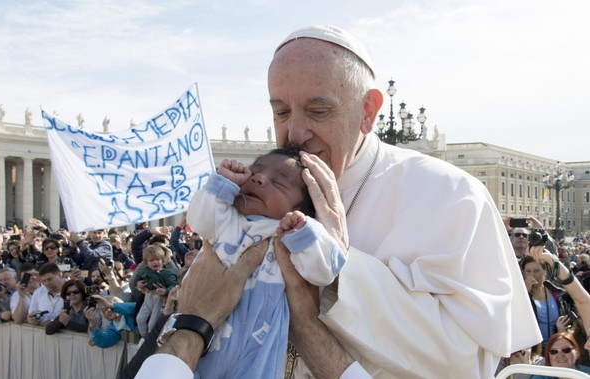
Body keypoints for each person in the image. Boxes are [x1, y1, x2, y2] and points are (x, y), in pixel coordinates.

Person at [138, 25, 540, 379]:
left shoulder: (448, 195)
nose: (295, 132)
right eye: (280, 111)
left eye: (318, 110)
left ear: (368, 111)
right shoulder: (262, 186)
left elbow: (462, 362)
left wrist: (337, 267)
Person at [186, 146, 345, 378]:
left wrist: (305, 231)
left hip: (258, 360)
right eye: (254, 172)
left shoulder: (293, 239)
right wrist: (223, 183)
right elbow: (199, 220)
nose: (259, 179)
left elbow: (324, 272)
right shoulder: (227, 221)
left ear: (301, 209)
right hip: (203, 346)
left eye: (279, 183)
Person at [134, 245, 177, 337]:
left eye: (157, 259)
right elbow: (135, 279)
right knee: (140, 319)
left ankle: (151, 339)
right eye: (151, 260)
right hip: (148, 296)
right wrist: (138, 283)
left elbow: (173, 286)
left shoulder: (168, 273)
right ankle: (144, 338)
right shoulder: (145, 271)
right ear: (146, 263)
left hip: (159, 299)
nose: (155, 262)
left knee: (152, 324)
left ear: (163, 260)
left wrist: (165, 291)